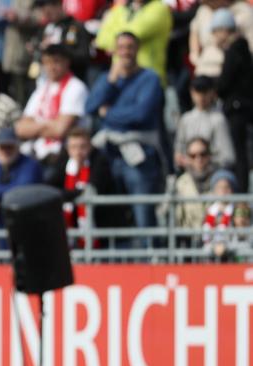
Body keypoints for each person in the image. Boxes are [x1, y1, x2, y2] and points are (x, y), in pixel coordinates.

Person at [85, 31, 165, 232]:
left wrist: (107, 113)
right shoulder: (107, 78)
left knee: (143, 216)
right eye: (121, 47)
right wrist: (111, 81)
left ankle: (150, 259)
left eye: (129, 47)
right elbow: (90, 107)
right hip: (109, 155)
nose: (125, 52)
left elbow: (140, 114)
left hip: (139, 157)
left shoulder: (150, 78)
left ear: (137, 49)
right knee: (111, 215)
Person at [46, 126, 131, 247]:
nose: (78, 152)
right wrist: (76, 194)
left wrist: (66, 195)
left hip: (105, 231)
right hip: (74, 231)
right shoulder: (64, 163)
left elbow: (92, 189)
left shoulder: (100, 161)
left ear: (89, 147)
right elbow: (49, 188)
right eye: (74, 147)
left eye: (82, 147)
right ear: (68, 148)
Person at [15, 44, 89, 167]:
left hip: (60, 156)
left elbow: (60, 130)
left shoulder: (76, 88)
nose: (51, 67)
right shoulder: (42, 88)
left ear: (67, 62)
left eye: (56, 62)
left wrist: (36, 126)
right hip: (34, 153)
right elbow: (21, 129)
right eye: (47, 63)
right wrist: (49, 124)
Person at [212, 8, 253, 192]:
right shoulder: (243, 50)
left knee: (239, 154)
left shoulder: (234, 50)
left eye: (216, 32)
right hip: (244, 107)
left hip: (237, 109)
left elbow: (224, 83)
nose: (215, 37)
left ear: (224, 30)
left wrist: (217, 87)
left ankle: (241, 194)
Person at [95, 0, 173, 86]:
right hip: (120, 75)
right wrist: (120, 36)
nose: (124, 50)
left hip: (147, 77)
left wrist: (114, 36)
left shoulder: (159, 9)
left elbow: (132, 35)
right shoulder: (121, 9)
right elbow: (101, 38)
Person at [174, 76, 235, 171]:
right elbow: (179, 150)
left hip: (214, 172)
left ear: (212, 92)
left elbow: (228, 157)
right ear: (192, 93)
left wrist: (204, 160)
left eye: (205, 92)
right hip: (190, 173)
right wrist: (185, 160)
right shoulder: (186, 119)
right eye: (198, 92)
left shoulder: (218, 119)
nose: (201, 97)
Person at [174, 137, 217, 237]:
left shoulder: (220, 181)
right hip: (189, 241)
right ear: (187, 158)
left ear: (209, 156)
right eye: (193, 156)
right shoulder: (181, 183)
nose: (199, 159)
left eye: (203, 154)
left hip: (216, 242)